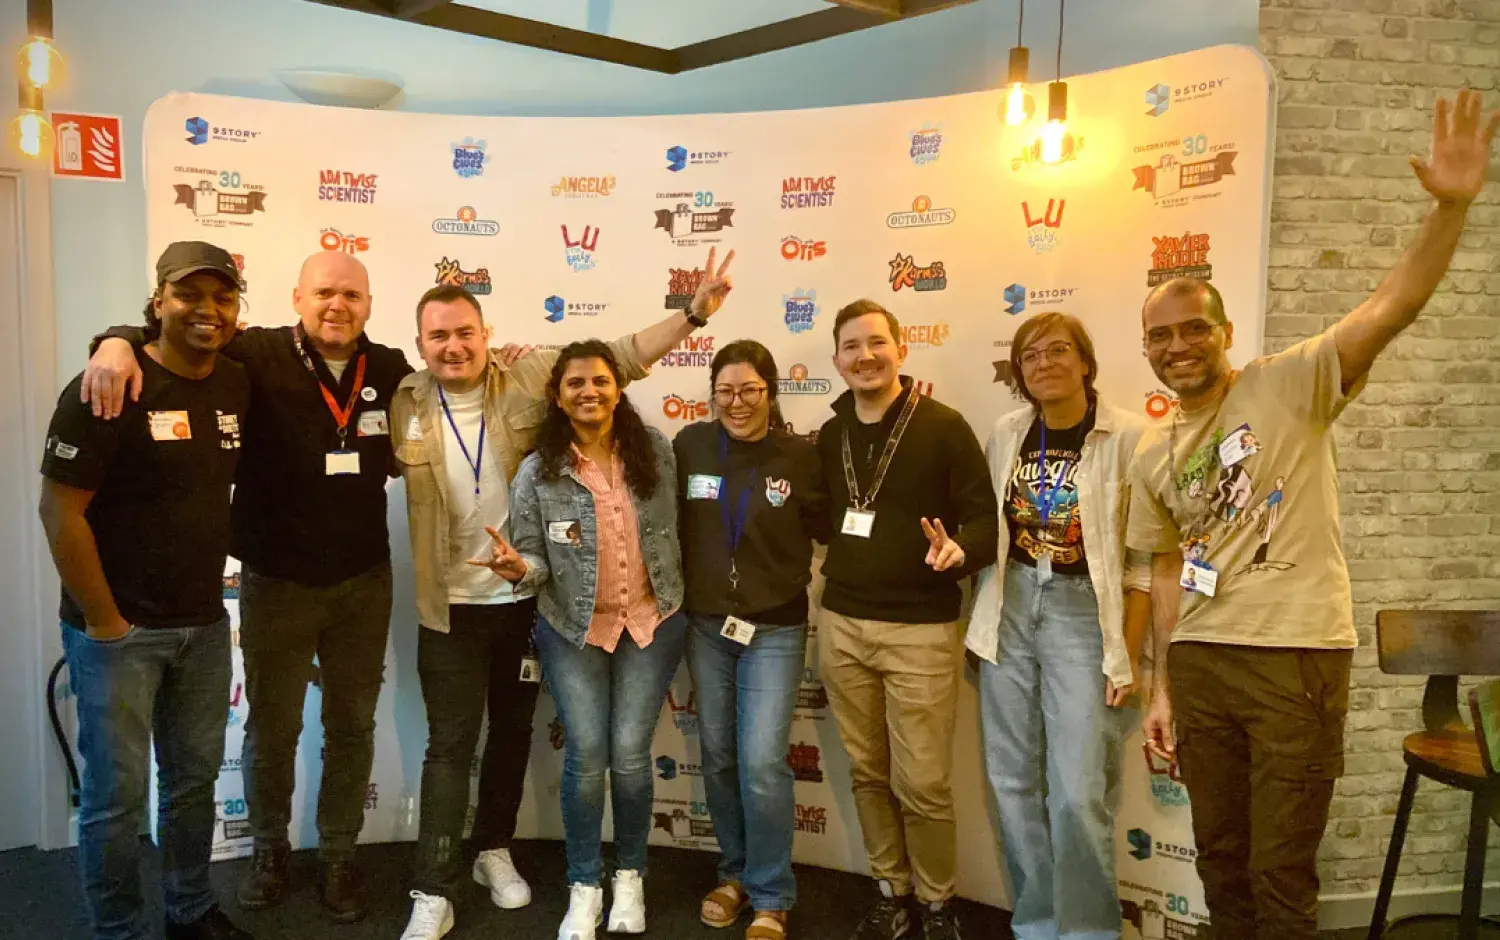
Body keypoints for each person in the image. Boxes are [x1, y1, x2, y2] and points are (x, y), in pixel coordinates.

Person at [1131, 90, 1497, 940]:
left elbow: (1391, 308)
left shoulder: (1290, 383)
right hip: (1201, 664)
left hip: (1293, 657)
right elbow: (1162, 564)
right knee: (1219, 854)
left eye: (1194, 330)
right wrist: (1160, 682)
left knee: (1280, 867)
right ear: (1145, 347)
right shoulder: (1150, 451)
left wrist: (1449, 208)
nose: (1178, 346)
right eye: (1161, 336)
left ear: (1224, 334)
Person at [391, 249, 735, 940]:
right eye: (438, 336)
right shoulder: (400, 398)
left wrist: (694, 314)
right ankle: (434, 887)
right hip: (447, 606)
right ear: (420, 343)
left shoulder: (528, 375)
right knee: (451, 746)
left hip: (525, 606)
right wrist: (126, 343)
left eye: (465, 332)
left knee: (514, 736)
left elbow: (621, 354)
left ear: (487, 335)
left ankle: (493, 851)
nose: (453, 345)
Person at [82, 251, 413, 922]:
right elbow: (174, 333)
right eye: (324, 291)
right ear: (296, 297)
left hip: (362, 583)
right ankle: (270, 849)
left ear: (370, 304)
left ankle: (341, 854)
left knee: (351, 726)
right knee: (273, 728)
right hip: (276, 580)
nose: (337, 305)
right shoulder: (256, 353)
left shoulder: (389, 368)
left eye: (351, 293)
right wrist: (112, 340)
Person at [38, 242, 253, 940]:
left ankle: (189, 912)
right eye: (190, 294)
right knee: (115, 803)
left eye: (222, 296)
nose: (208, 310)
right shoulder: (105, 386)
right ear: (158, 298)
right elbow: (58, 511)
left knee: (193, 789)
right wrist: (104, 622)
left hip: (203, 625)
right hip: (118, 635)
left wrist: (118, 335)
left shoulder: (236, 381)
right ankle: (120, 931)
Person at [472, 341, 685, 940]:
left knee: (631, 757)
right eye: (575, 384)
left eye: (599, 380)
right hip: (573, 630)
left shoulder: (658, 453)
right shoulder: (538, 471)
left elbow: (682, 534)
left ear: (617, 387)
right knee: (588, 760)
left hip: (651, 623)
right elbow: (534, 558)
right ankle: (585, 885)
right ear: (557, 396)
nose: (589, 391)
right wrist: (522, 571)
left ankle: (631, 878)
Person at [815, 299, 998, 940]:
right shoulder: (831, 433)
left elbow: (983, 519)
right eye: (850, 346)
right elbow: (817, 516)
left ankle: (939, 902)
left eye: (876, 343)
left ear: (901, 348)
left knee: (922, 782)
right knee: (867, 772)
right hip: (841, 625)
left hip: (920, 630)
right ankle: (890, 889)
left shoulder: (943, 426)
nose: (864, 356)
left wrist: (961, 552)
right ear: (836, 360)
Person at [966, 312, 1152, 940]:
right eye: (1030, 356)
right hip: (1010, 602)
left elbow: (1145, 564)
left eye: (1058, 351)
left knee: (1077, 791)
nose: (1044, 364)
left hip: (1084, 611)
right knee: (1011, 780)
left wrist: (1124, 653)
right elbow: (993, 531)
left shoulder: (1128, 437)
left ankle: (1091, 930)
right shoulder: (1007, 433)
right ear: (1018, 372)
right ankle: (1038, 924)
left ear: (1086, 361)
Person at [674, 340, 830, 940]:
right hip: (707, 625)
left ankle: (771, 894)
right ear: (712, 394)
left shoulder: (800, 455)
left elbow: (823, 525)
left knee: (762, 761)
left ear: (771, 392)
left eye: (750, 390)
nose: (737, 403)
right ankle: (733, 873)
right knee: (716, 754)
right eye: (726, 391)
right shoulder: (689, 445)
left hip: (776, 627)